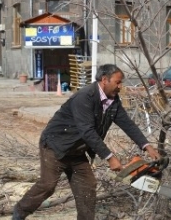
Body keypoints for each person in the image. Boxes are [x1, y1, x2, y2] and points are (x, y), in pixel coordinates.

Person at [12, 64, 161, 220]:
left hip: (76, 151)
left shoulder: (113, 101)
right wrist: (110, 157)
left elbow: (127, 123)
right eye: (117, 82)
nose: (120, 86)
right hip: (55, 147)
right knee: (48, 186)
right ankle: (19, 213)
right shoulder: (84, 97)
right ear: (104, 80)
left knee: (87, 187)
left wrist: (146, 146)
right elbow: (87, 131)